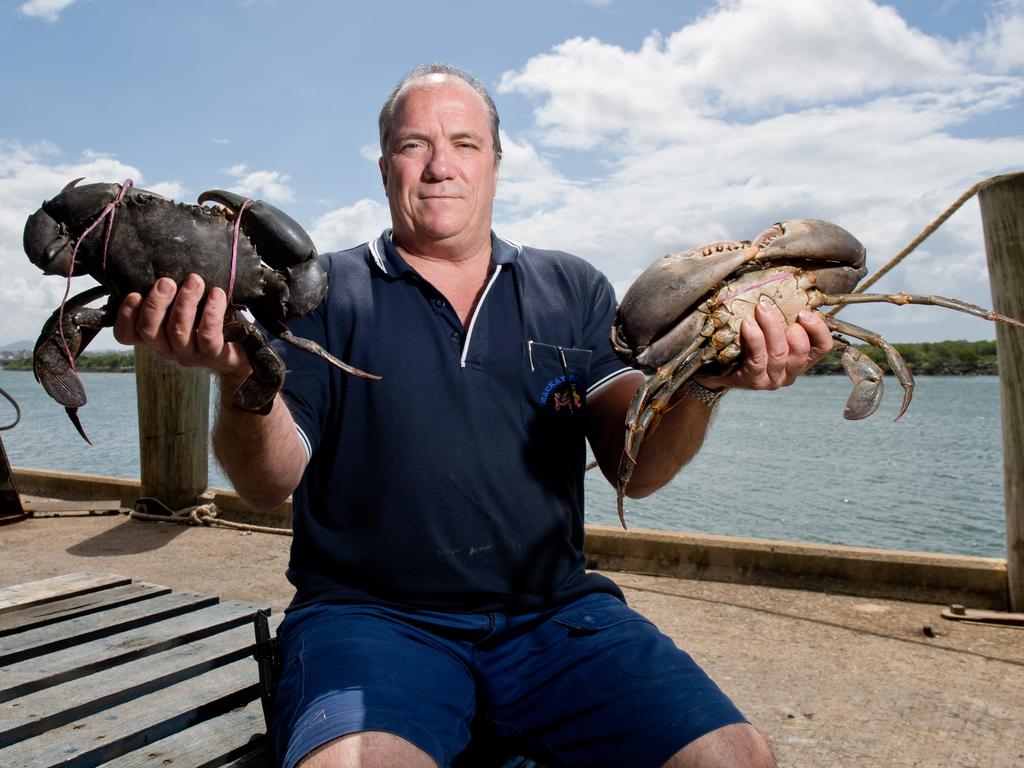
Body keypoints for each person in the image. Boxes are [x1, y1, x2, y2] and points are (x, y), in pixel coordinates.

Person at [114, 64, 833, 768]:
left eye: (463, 144)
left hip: (555, 616)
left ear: (495, 162)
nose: (438, 167)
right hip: (370, 619)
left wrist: (706, 382)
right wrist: (242, 376)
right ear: (383, 165)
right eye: (413, 145)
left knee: (734, 756)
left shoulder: (573, 286)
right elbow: (269, 482)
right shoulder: (319, 292)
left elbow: (635, 470)